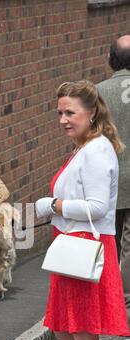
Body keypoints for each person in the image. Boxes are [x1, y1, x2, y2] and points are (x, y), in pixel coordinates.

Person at [35, 80, 130, 340]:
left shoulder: (96, 150)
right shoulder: (85, 147)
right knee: (67, 330)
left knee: (84, 332)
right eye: (60, 112)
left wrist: (53, 205)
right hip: (73, 248)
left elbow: (98, 206)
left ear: (92, 113)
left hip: (86, 250)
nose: (63, 119)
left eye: (70, 112)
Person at [97, 35, 130, 321]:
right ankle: (126, 303)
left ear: (111, 60)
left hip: (107, 182)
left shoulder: (97, 93)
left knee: (109, 239)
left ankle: (107, 299)